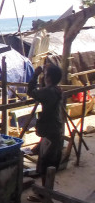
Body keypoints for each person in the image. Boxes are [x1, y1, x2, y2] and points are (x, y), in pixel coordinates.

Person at [28, 62, 66, 195]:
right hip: (56, 129)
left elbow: (31, 92)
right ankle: (48, 191)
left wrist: (35, 75)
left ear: (48, 78)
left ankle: (45, 194)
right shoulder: (56, 90)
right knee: (51, 162)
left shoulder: (49, 91)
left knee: (46, 162)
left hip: (50, 132)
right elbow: (43, 92)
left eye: (46, 75)